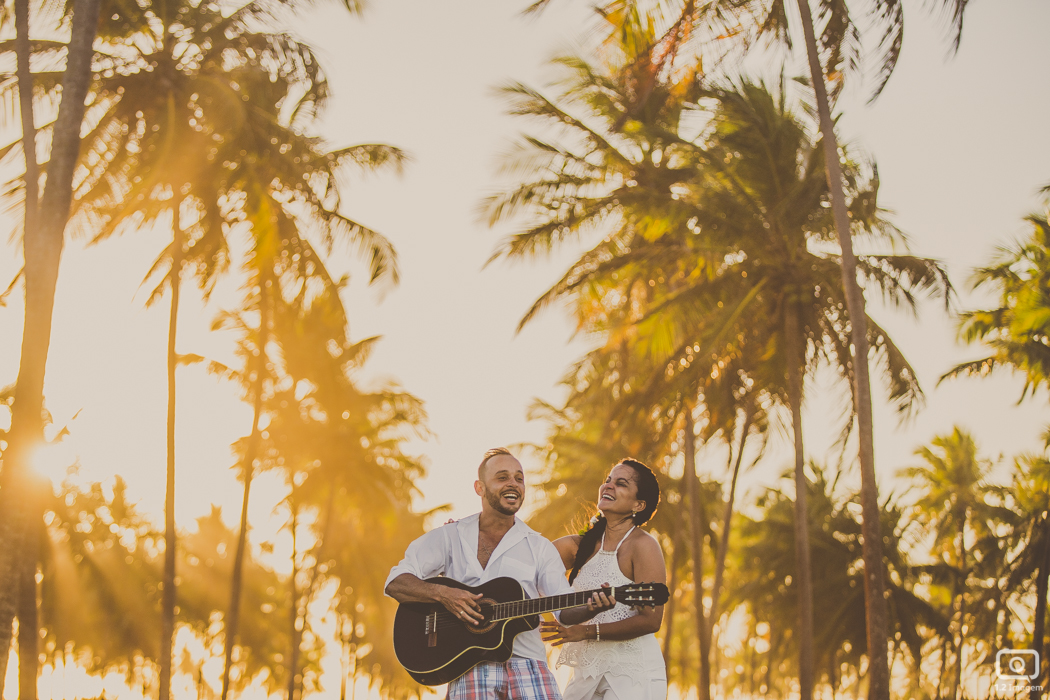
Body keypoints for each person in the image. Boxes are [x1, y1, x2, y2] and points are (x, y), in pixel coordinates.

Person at [385, 447, 614, 700]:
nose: (513, 484)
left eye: (519, 478)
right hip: (469, 666)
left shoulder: (539, 547)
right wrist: (443, 594)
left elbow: (564, 612)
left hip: (529, 664)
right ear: (480, 488)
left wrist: (592, 607)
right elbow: (396, 582)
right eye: (502, 477)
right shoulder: (450, 536)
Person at [540, 459, 667, 700]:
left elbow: (651, 621)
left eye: (621, 483)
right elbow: (524, 568)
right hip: (586, 673)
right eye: (608, 480)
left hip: (632, 675)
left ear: (639, 505)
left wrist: (586, 631)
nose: (608, 486)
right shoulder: (576, 546)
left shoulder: (643, 545)